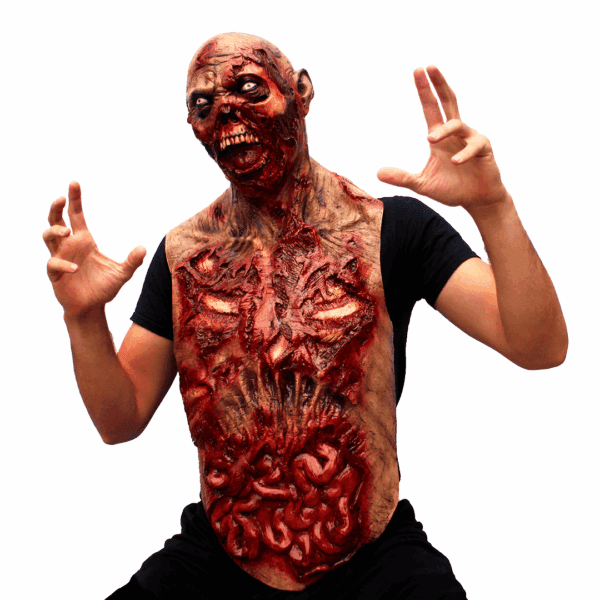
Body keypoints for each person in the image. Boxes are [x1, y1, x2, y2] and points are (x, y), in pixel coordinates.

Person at [43, 33, 568, 599]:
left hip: (371, 555)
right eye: (203, 104)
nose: (226, 112)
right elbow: (119, 421)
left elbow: (539, 347)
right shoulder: (183, 257)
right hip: (222, 553)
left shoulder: (392, 230)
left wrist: (492, 206)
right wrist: (83, 318)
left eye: (249, 88)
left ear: (301, 91)